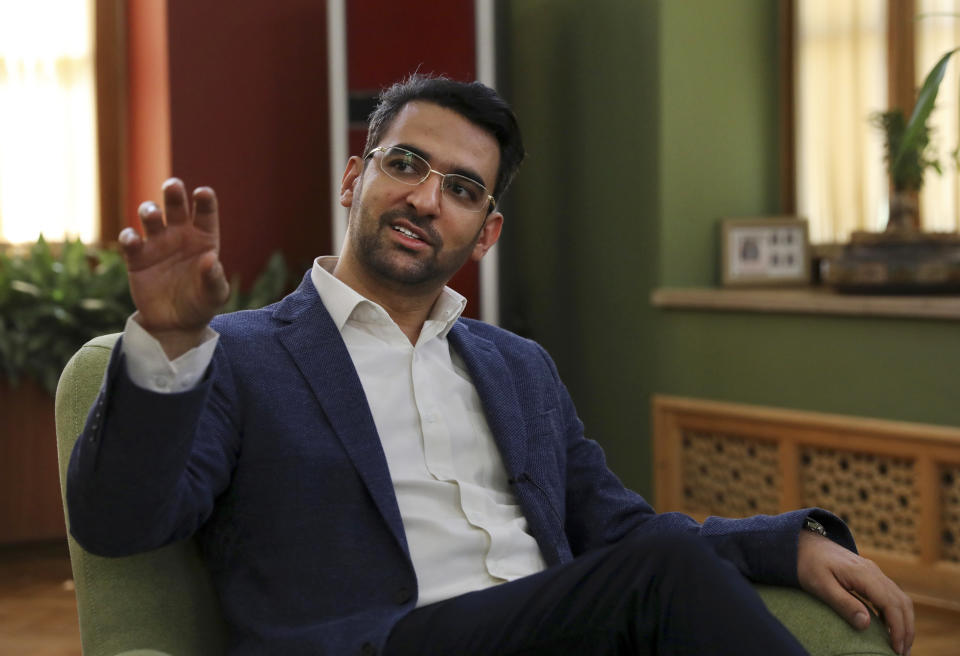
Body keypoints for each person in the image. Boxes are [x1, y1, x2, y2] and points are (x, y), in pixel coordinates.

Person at [67, 75, 914, 656]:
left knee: (657, 572)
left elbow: (618, 531)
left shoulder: (518, 368)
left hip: (558, 632)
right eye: (404, 165)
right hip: (387, 640)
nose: (426, 199)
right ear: (354, 179)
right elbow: (120, 522)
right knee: (659, 579)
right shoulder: (243, 355)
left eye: (463, 189)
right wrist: (167, 340)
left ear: (486, 232)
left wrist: (785, 548)